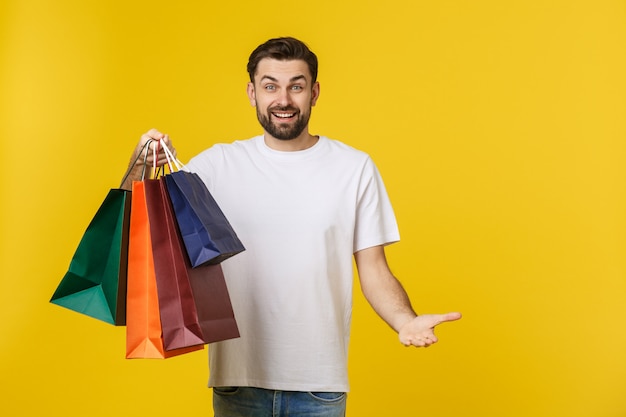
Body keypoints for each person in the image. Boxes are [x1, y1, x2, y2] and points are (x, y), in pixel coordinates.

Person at [123, 37, 461, 417]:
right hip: (238, 381)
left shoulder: (353, 168)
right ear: (252, 92)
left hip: (319, 387)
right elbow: (143, 232)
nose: (283, 99)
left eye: (295, 86)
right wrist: (140, 166)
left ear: (313, 92)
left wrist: (406, 320)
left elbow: (374, 268)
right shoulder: (217, 166)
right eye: (270, 86)